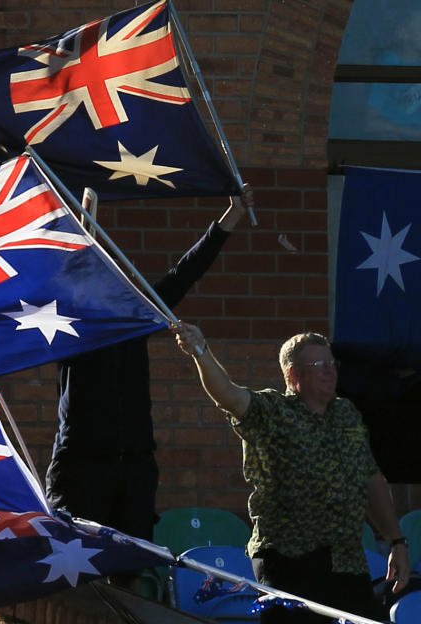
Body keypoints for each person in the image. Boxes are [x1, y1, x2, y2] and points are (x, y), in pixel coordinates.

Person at [44, 185, 251, 552]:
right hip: (81, 467)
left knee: (134, 570)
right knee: (77, 572)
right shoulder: (70, 322)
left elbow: (185, 272)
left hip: (134, 466)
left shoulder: (136, 317)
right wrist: (77, 248)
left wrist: (231, 216)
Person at [172, 322, 411, 622]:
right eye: (318, 364)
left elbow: (371, 479)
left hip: (346, 560)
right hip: (288, 561)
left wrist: (396, 541)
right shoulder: (273, 411)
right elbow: (228, 395)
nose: (330, 370)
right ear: (293, 374)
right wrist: (200, 351)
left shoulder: (347, 415)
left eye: (331, 363)